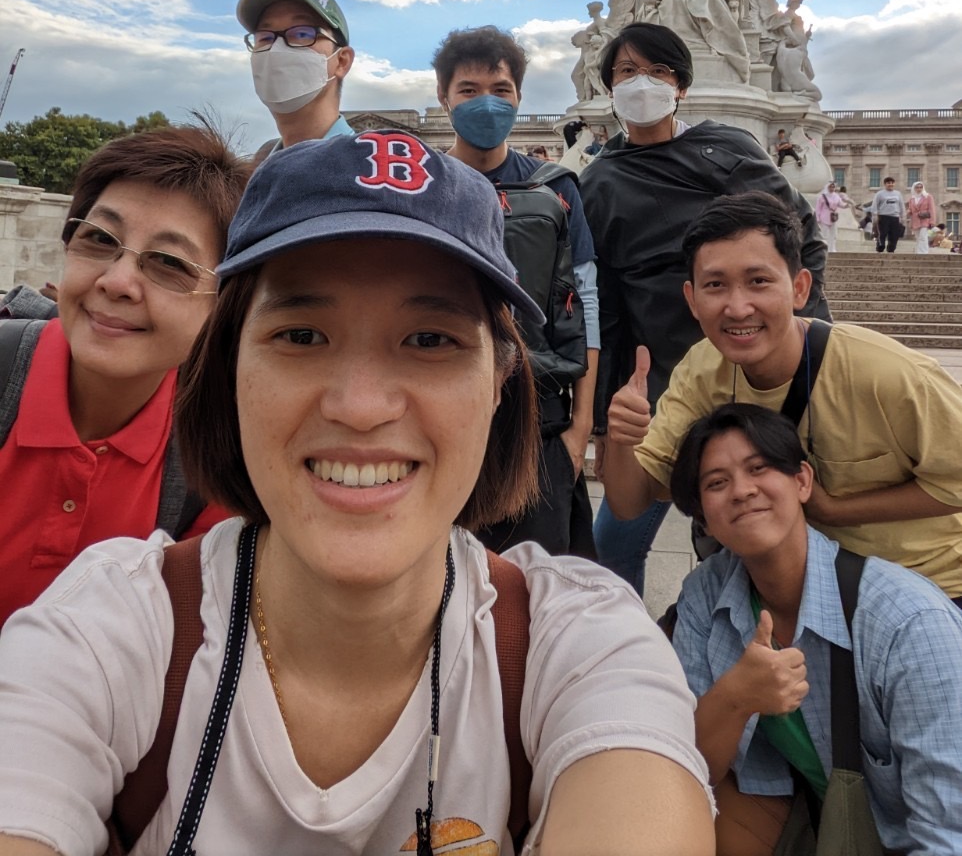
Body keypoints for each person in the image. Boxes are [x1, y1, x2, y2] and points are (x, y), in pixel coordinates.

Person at [0, 131, 715, 856]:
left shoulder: (582, 645)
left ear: (501, 383)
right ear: (226, 368)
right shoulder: (103, 630)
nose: (362, 406)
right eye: (303, 335)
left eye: (431, 340)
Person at [602, 191, 962, 601]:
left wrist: (833, 510)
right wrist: (622, 441)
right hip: (789, 585)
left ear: (799, 288)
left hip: (929, 585)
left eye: (758, 281)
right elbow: (629, 503)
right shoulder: (702, 371)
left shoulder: (887, 374)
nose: (738, 308)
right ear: (692, 300)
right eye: (716, 285)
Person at [580, 24, 828, 595]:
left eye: (659, 72)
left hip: (756, 368)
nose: (642, 84)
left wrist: (810, 332)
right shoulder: (598, 181)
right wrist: (603, 418)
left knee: (734, 534)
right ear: (609, 86)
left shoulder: (730, 148)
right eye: (626, 73)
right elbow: (608, 306)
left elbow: (799, 236)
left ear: (682, 87)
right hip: (664, 379)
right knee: (612, 543)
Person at [669, 403, 962, 856]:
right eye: (716, 483)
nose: (742, 491)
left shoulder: (908, 622)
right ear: (703, 518)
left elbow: (948, 831)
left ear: (802, 481)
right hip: (804, 816)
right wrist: (735, 697)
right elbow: (687, 770)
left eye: (759, 468)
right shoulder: (706, 596)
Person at [0, 122, 250, 627]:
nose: (117, 282)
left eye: (168, 263)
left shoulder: (219, 459)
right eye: (98, 239)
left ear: (223, 306)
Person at [432, 27, 599, 558]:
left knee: (536, 594)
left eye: (501, 90)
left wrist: (580, 432)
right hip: (440, 412)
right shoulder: (422, 185)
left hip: (539, 422)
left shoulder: (557, 186)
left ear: (519, 98)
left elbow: (588, 301)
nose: (487, 102)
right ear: (444, 98)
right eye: (469, 89)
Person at [235, 0, 355, 161]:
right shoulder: (251, 174)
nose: (276, 49)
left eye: (302, 34)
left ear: (342, 61)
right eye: (265, 37)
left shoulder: (371, 176)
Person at [869, 175, 905, 253]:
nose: (890, 184)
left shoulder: (898, 194)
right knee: (882, 234)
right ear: (885, 184)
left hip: (895, 217)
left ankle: (891, 249)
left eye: (892, 183)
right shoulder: (879, 194)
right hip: (883, 216)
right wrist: (875, 216)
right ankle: (880, 248)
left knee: (894, 235)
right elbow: (874, 205)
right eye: (888, 183)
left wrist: (902, 217)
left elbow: (901, 206)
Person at [908, 179, 937, 254]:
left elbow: (932, 209)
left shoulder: (928, 196)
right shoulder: (912, 198)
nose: (919, 189)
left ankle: (923, 252)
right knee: (917, 237)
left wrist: (932, 221)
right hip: (915, 220)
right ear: (914, 188)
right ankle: (918, 251)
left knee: (923, 236)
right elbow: (911, 210)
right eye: (917, 187)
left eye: (920, 187)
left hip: (925, 219)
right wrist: (907, 212)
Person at [814, 180, 843, 252]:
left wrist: (848, 205)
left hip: (833, 217)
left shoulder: (836, 196)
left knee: (834, 234)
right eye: (830, 187)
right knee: (825, 234)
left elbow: (841, 204)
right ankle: (824, 248)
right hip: (824, 217)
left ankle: (832, 248)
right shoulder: (822, 197)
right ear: (828, 187)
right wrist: (817, 218)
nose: (832, 188)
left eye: (833, 187)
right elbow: (818, 208)